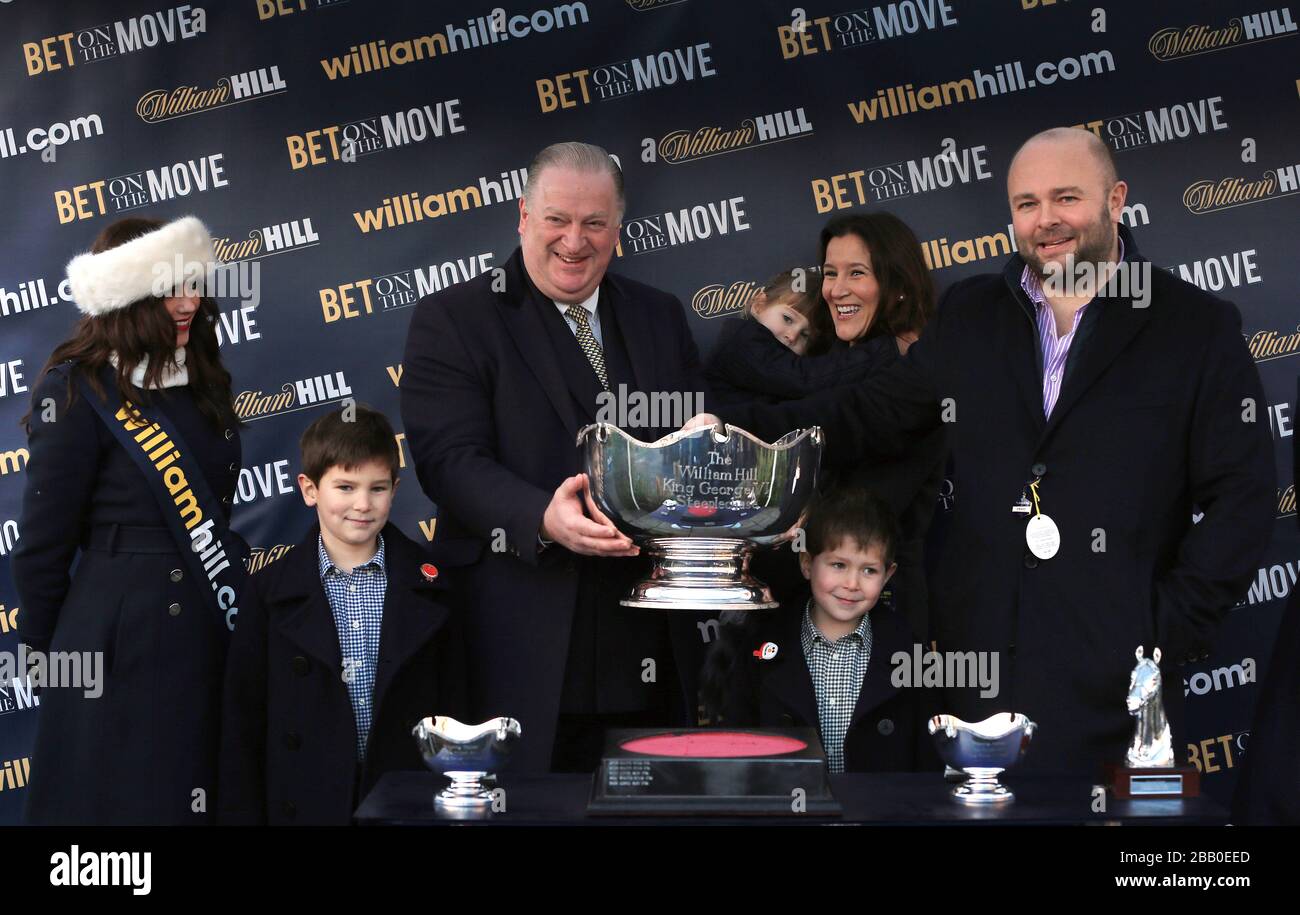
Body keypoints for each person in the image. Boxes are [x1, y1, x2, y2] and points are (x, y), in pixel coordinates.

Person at [690, 127, 1276, 774]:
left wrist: (1165, 629)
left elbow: (1242, 499)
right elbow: (866, 413)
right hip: (969, 674)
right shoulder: (971, 315)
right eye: (1026, 203)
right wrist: (724, 429)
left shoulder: (1194, 326)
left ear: (1116, 200)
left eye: (1066, 198)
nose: (1045, 220)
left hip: (1118, 690)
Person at [400, 141, 709, 772]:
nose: (575, 241)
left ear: (618, 230)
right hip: (518, 639)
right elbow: (448, 460)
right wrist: (545, 516)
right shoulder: (454, 318)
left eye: (595, 223)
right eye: (557, 220)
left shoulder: (659, 316)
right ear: (523, 217)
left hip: (648, 643)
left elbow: (688, 453)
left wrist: (704, 452)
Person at [12, 215, 244, 824]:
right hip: (116, 641)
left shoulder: (205, 379)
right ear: (130, 298)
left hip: (206, 617)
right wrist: (47, 656)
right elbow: (42, 546)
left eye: (194, 283)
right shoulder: (74, 390)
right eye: (171, 289)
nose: (190, 300)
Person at [218, 406, 465, 825]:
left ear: (396, 488)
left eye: (378, 488)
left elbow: (458, 711)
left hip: (405, 797)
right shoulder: (268, 591)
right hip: (307, 799)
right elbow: (243, 725)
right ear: (309, 489)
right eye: (345, 487)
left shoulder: (433, 585)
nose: (362, 505)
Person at [705, 214, 947, 640]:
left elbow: (836, 421)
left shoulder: (914, 368)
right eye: (831, 274)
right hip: (792, 622)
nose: (836, 289)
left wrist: (724, 427)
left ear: (898, 283)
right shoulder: (827, 357)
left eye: (857, 273)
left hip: (877, 629)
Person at [701, 487, 936, 773]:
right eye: (838, 565)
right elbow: (737, 752)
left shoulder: (913, 657)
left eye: (869, 571)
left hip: (879, 814)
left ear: (888, 575)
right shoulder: (758, 649)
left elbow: (928, 764)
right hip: (789, 813)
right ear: (807, 564)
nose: (852, 583)